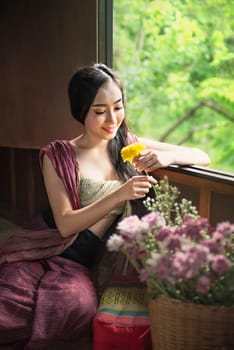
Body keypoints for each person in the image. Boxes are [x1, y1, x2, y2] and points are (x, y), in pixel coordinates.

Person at [0, 63, 210, 349]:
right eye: (99, 111)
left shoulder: (126, 144)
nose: (112, 119)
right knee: (9, 306)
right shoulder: (57, 154)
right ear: (81, 112)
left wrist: (164, 159)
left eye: (118, 106)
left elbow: (201, 155)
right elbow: (65, 224)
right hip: (45, 243)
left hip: (79, 259)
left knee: (76, 307)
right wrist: (120, 193)